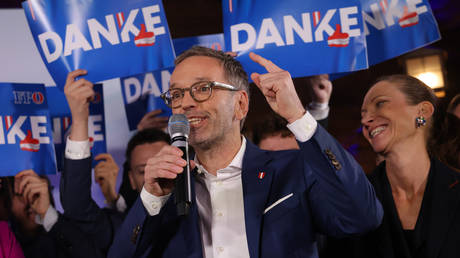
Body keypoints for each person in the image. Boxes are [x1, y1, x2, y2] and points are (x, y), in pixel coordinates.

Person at [107, 46, 382, 258]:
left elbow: (362, 216)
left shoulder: (293, 170)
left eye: (202, 89)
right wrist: (152, 198)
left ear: (240, 104)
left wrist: (299, 117)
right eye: (176, 94)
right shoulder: (167, 189)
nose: (186, 103)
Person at [326, 75, 460, 258]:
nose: (366, 121)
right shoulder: (354, 200)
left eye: (380, 104)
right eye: (363, 114)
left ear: (422, 111)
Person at [59, 72, 171, 255]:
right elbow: (76, 206)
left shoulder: (201, 209)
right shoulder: (121, 227)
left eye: (163, 163)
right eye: (143, 170)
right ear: (131, 180)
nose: (155, 174)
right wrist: (80, 120)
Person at [2, 171, 98, 258]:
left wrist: (47, 212)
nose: (29, 197)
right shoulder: (5, 243)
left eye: (34, 187)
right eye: (20, 192)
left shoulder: (70, 234)